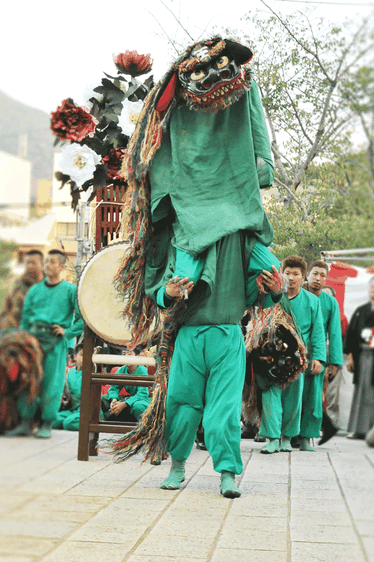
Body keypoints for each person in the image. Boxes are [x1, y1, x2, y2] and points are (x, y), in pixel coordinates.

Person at [112, 36, 283, 497]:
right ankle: (177, 465)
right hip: (187, 334)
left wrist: (277, 285)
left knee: (224, 410)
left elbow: (271, 285)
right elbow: (155, 285)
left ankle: (228, 472)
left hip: (227, 332)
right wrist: (168, 293)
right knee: (182, 405)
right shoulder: (177, 236)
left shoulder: (239, 234)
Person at [5, 249, 84, 438]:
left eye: (53, 262)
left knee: (52, 384)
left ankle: (46, 424)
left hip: (56, 341)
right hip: (33, 341)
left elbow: (82, 319)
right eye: (46, 262)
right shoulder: (35, 290)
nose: (48, 265)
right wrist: (23, 341)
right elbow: (25, 319)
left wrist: (68, 332)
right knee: (28, 381)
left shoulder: (70, 290)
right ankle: (25, 423)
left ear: (62, 267)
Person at [258, 255, 326, 453]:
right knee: (270, 394)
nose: (292, 277)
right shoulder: (271, 298)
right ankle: (272, 438)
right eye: (288, 273)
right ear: (281, 274)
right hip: (271, 354)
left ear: (303, 277)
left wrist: (319, 358)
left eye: (296, 274)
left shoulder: (312, 301)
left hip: (298, 356)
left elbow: (318, 331)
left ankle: (287, 438)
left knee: (293, 398)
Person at [304, 260, 343, 445]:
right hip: (296, 352)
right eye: (315, 274)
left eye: (322, 275)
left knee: (314, 396)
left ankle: (307, 434)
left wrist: (335, 361)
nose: (318, 279)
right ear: (307, 275)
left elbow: (334, 333)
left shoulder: (330, 303)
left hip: (318, 354)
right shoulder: (297, 293)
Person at [345, 276, 374, 440]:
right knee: (360, 391)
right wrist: (351, 356)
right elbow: (351, 335)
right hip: (361, 355)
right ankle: (358, 429)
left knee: (373, 392)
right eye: (372, 287)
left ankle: (372, 431)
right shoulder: (360, 310)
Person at [0, 250, 44, 330]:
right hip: (16, 328)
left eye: (33, 263)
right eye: (27, 263)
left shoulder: (49, 285)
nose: (30, 266)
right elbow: (8, 306)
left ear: (42, 265)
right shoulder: (18, 283)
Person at [101, 358, 151, 423]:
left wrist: (124, 404)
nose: (126, 357)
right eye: (125, 354)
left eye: (130, 354)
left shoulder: (143, 371)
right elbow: (114, 387)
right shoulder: (122, 369)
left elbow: (142, 395)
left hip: (143, 400)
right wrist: (114, 399)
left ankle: (142, 426)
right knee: (104, 398)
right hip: (130, 398)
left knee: (138, 406)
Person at [53, 343, 84, 431]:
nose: (86, 358)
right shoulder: (71, 373)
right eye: (82, 355)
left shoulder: (92, 372)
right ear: (74, 357)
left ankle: (89, 425)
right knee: (53, 420)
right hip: (73, 410)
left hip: (86, 411)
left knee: (68, 423)